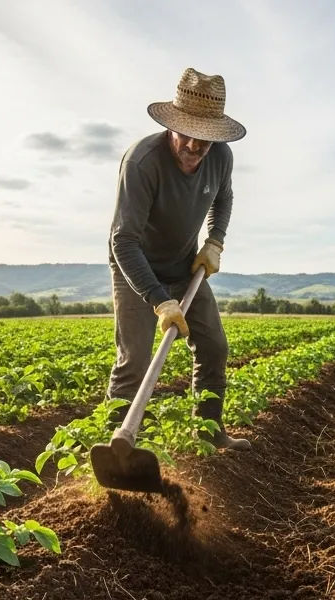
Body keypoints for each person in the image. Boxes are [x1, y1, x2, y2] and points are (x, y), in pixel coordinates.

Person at [106, 67, 250, 450]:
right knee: (135, 361)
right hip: (135, 266)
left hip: (183, 265)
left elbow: (223, 197)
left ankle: (209, 434)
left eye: (204, 138)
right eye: (185, 133)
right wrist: (159, 299)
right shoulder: (142, 162)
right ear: (171, 124)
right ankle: (116, 451)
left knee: (214, 346)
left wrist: (214, 241)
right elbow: (123, 241)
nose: (193, 145)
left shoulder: (221, 158)